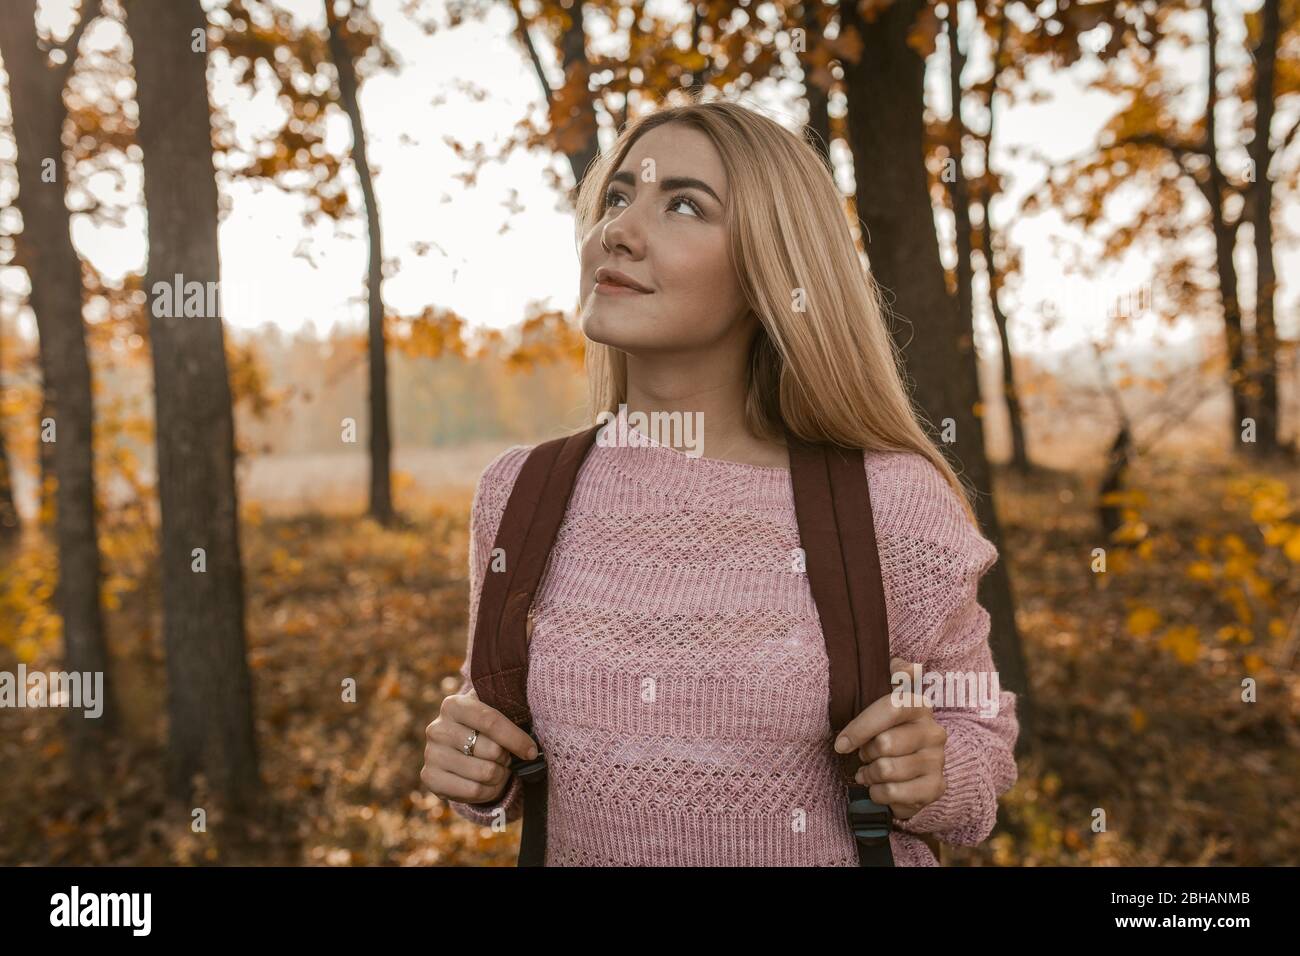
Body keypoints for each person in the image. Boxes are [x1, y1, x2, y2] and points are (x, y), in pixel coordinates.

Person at [420, 98, 1018, 866]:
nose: (620, 231)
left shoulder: (889, 503)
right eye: (617, 196)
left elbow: (977, 732)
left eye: (683, 205)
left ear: (770, 266)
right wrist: (475, 767)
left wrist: (936, 770)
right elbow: (494, 727)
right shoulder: (522, 493)